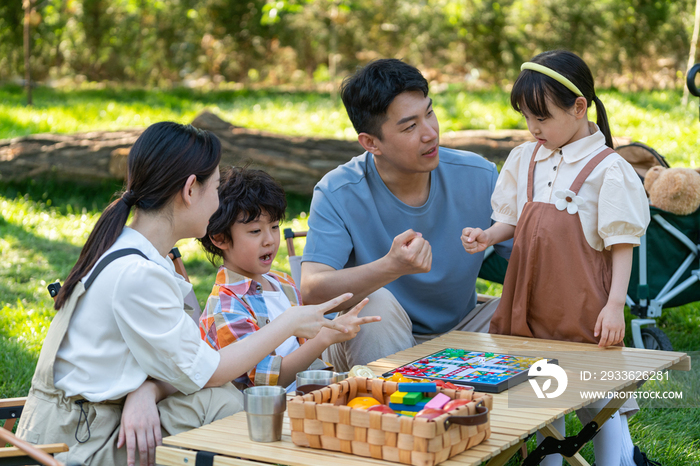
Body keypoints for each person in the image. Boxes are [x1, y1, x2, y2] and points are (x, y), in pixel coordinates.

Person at [16, 122, 364, 466]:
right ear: (190, 190)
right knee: (224, 403)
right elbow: (209, 370)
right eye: (214, 188)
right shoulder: (140, 274)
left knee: (220, 398)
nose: (217, 202)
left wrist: (145, 391)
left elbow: (182, 360)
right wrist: (288, 322)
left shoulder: (130, 249)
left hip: (84, 425)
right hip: (76, 446)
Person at [461, 50, 651, 466]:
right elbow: (511, 219)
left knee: (601, 397)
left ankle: (614, 462)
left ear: (579, 107)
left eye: (541, 117)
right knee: (540, 388)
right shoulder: (525, 158)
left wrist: (615, 306)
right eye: (526, 117)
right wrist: (487, 235)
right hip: (529, 300)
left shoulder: (609, 169)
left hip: (585, 305)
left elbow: (622, 243)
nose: (532, 128)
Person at [301, 58, 511, 372]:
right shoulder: (338, 191)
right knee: (376, 305)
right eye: (410, 126)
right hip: (375, 339)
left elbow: (526, 260)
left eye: (430, 113)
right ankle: (391, 418)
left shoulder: (478, 175)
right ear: (371, 143)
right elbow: (312, 290)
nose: (430, 133)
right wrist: (391, 267)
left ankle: (599, 418)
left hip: (464, 330)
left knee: (528, 310)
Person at [198, 167, 380, 390]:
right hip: (271, 411)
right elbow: (266, 383)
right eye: (255, 231)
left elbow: (303, 356)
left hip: (311, 389)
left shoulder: (282, 283)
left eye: (274, 227)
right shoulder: (226, 306)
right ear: (220, 238)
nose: (270, 240)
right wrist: (325, 337)